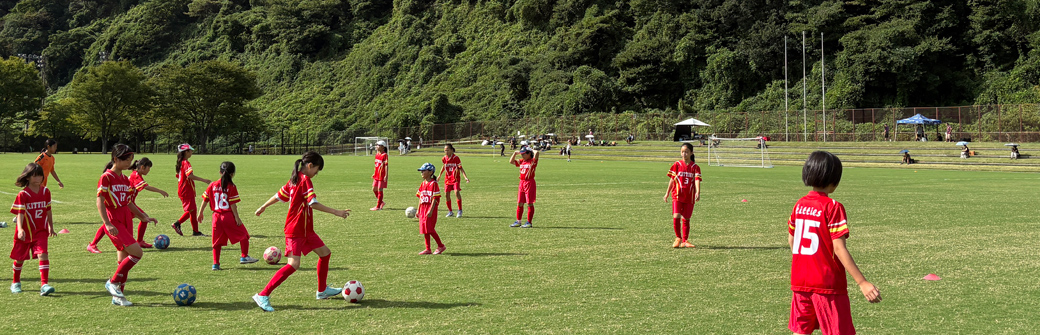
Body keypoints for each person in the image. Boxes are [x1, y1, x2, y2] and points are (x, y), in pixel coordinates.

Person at [787, 151, 881, 334]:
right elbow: (838, 248)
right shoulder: (832, 207)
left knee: (801, 330)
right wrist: (862, 282)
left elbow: (791, 239)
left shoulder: (799, 205)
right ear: (835, 180)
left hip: (800, 281)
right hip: (827, 283)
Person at [253, 152, 351, 312]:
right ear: (310, 166)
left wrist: (263, 206)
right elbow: (313, 203)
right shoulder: (305, 180)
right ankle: (263, 294)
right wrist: (336, 212)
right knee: (294, 264)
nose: (316, 174)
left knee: (325, 254)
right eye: (317, 170)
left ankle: (322, 290)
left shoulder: (295, 178)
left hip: (306, 230)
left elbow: (279, 195)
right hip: (295, 230)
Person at [97, 144, 159, 306]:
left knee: (123, 261)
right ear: (115, 159)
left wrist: (144, 216)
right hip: (114, 219)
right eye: (125, 159)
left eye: (130, 159)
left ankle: (118, 297)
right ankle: (112, 282)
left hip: (126, 218)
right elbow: (100, 201)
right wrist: (107, 223)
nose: (128, 162)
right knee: (137, 253)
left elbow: (129, 203)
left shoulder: (125, 179)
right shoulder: (107, 177)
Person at [88, 158, 169, 252]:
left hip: (128, 204)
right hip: (125, 204)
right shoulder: (135, 175)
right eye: (148, 168)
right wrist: (160, 191)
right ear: (142, 167)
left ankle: (139, 241)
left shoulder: (135, 175)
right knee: (111, 224)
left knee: (139, 219)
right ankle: (93, 244)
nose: (149, 171)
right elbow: (145, 187)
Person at [199, 162, 258, 270]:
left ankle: (215, 264)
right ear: (232, 174)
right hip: (228, 216)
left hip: (216, 217)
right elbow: (233, 204)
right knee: (244, 235)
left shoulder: (212, 185)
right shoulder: (231, 186)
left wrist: (200, 213)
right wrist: (237, 217)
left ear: (219, 172)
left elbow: (205, 200)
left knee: (216, 242)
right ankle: (244, 256)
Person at [9, 163, 56, 295]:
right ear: (28, 177)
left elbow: (48, 210)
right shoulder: (23, 194)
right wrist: (20, 229)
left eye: (40, 175)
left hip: (41, 231)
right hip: (25, 232)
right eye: (35, 176)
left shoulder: (46, 192)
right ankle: (15, 282)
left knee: (43, 254)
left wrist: (51, 227)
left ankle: (44, 284)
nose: (38, 178)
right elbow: (20, 213)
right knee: (19, 258)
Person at [663, 143, 701, 248]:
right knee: (676, 216)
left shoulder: (695, 167)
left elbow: (697, 180)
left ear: (691, 153)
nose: (684, 154)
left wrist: (698, 192)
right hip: (677, 195)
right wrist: (667, 193)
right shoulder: (677, 165)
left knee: (686, 218)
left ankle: (685, 241)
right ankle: (678, 238)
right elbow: (672, 180)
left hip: (689, 196)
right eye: (682, 152)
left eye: (686, 152)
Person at [172, 144, 212, 237]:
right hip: (186, 189)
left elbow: (179, 176)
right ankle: (177, 223)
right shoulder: (185, 162)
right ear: (186, 152)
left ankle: (196, 231)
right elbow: (189, 175)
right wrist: (204, 180)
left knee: (193, 210)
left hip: (184, 188)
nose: (192, 152)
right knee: (191, 209)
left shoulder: (181, 162)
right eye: (190, 151)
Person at [416, 163, 445, 255]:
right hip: (423, 208)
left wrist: (431, 210)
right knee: (425, 229)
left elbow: (435, 198)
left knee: (430, 228)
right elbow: (420, 198)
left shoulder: (433, 184)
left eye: (423, 171)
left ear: (430, 172)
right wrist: (418, 209)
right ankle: (428, 248)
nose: (422, 173)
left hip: (430, 208)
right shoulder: (423, 183)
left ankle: (441, 246)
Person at [509, 147, 539, 228]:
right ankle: (518, 221)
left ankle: (529, 222)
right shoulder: (522, 161)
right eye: (522, 154)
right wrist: (515, 153)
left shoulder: (532, 161)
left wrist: (531, 149)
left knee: (529, 203)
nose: (523, 155)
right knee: (520, 203)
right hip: (522, 182)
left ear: (529, 153)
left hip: (529, 182)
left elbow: (537, 153)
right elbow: (511, 161)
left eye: (524, 154)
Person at [439, 144, 470, 218]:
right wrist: (439, 175)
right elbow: (444, 166)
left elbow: (461, 168)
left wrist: (465, 177)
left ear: (451, 150)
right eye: (445, 150)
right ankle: (450, 211)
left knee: (456, 192)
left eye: (447, 150)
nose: (446, 151)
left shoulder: (456, 158)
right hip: (447, 179)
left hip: (455, 179)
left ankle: (460, 210)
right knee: (446, 194)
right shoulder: (444, 158)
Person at [371, 141, 388, 211]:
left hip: (382, 175)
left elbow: (386, 166)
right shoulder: (377, 154)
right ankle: (381, 202)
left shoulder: (384, 155)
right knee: (374, 189)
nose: (377, 146)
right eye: (376, 145)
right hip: (376, 175)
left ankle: (378, 206)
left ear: (382, 147)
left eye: (378, 145)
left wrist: (386, 175)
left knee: (380, 189)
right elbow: (376, 165)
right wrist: (374, 173)